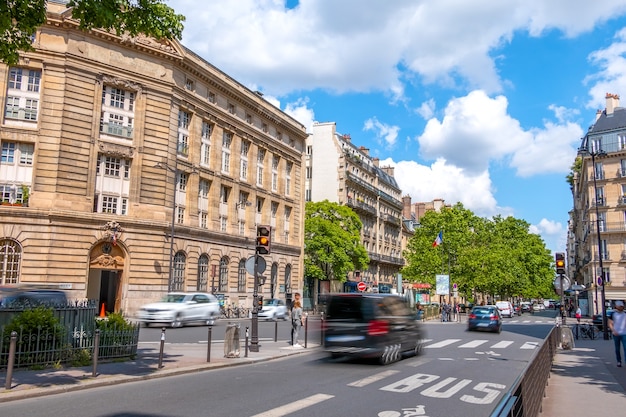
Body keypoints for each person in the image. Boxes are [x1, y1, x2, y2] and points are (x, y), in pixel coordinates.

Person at [608, 300, 626, 367]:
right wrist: (613, 330)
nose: (621, 307)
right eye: (620, 306)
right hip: (616, 333)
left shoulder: (625, 314)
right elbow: (609, 323)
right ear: (616, 306)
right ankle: (619, 361)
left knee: (625, 348)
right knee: (617, 348)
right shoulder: (613, 314)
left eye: (622, 306)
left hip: (624, 333)